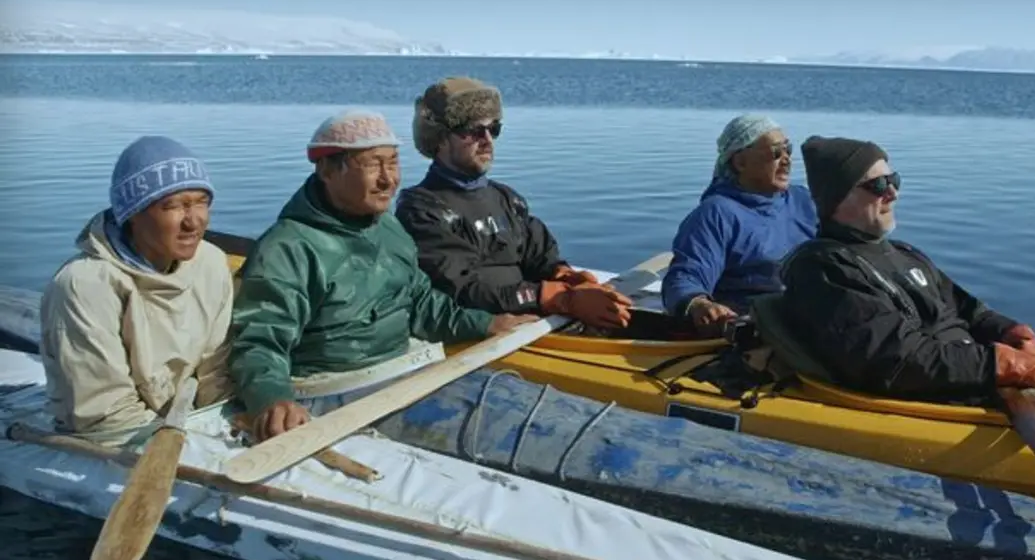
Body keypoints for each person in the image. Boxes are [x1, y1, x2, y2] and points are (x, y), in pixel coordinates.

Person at [228, 109, 536, 442]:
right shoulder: (288, 249)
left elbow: (421, 303)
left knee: (524, 414)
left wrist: (485, 323)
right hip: (334, 388)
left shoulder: (387, 227)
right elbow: (259, 341)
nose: (388, 180)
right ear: (327, 169)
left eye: (393, 163)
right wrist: (272, 399)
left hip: (402, 368)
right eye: (373, 165)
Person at [775, 135, 1035, 404]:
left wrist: (1014, 335)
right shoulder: (823, 270)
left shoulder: (905, 254)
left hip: (982, 380)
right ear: (838, 198)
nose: (893, 193)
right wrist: (1007, 365)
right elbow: (897, 360)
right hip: (939, 399)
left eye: (894, 180)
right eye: (878, 186)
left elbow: (969, 311)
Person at [395, 76, 633, 331]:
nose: (487, 140)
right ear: (441, 138)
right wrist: (556, 298)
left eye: (494, 128)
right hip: (487, 332)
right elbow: (461, 288)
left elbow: (540, 256)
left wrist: (568, 277)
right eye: (473, 130)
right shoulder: (423, 209)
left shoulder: (507, 199)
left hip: (536, 323)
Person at [39, 136, 234, 446]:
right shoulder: (85, 285)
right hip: (112, 437)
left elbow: (216, 371)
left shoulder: (210, 262)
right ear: (132, 213)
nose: (193, 221)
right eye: (173, 206)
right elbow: (104, 413)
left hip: (183, 422)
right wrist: (184, 446)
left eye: (201, 202)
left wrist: (227, 423)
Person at [661, 115, 818, 334]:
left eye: (788, 150)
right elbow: (687, 275)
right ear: (740, 162)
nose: (786, 160)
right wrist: (698, 304)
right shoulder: (717, 214)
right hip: (760, 325)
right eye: (776, 153)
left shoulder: (803, 200)